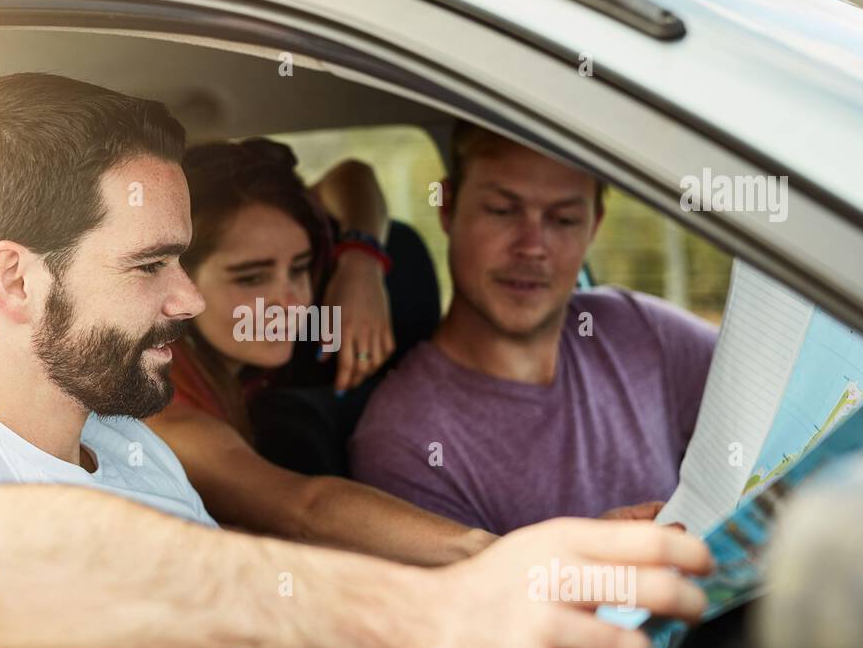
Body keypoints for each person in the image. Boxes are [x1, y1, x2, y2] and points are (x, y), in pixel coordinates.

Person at [0, 73, 712, 648]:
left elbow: (298, 515)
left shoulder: (121, 434)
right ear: (16, 282)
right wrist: (425, 620)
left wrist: (509, 559)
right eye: (152, 264)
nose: (187, 298)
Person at [148, 138, 659, 565]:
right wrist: (514, 557)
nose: (293, 300)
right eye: (252, 277)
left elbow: (352, 178)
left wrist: (360, 262)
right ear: (177, 279)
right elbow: (304, 506)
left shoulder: (260, 309)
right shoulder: (166, 417)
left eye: (302, 267)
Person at [350, 123, 718, 535]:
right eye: (502, 211)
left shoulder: (638, 330)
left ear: (593, 226)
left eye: (563, 220)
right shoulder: (406, 441)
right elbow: (469, 598)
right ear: (448, 207)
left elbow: (781, 408)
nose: (532, 246)